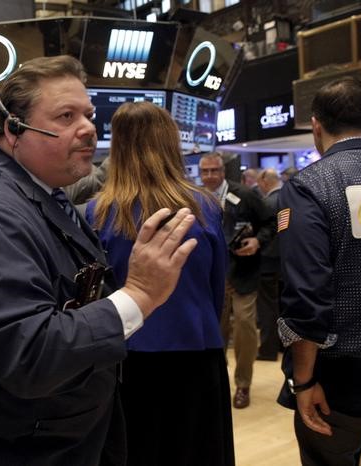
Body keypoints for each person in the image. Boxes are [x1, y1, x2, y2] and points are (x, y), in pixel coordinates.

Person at [0, 55, 198, 465]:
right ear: (13, 129)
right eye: (66, 116)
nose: (88, 127)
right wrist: (138, 295)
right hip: (14, 448)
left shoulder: (40, 194)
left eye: (88, 114)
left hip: (57, 435)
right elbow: (29, 354)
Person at [86, 102, 233, 466]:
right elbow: (217, 290)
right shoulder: (205, 207)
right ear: (171, 142)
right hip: (197, 349)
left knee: (137, 450)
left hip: (127, 357)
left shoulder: (97, 213)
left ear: (117, 146)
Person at [277, 77, 361, 465]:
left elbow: (306, 294)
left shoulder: (308, 187)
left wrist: (303, 380)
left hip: (339, 381)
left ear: (316, 126)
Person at [199, 152, 273, 409]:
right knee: (215, 329)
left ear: (223, 171)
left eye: (214, 171)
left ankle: (243, 384)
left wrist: (258, 241)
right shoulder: (194, 198)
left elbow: (271, 221)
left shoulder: (245, 194)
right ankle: (216, 378)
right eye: (205, 171)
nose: (209, 176)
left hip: (243, 271)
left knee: (244, 325)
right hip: (210, 275)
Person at [254, 168, 282, 361]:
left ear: (264, 181)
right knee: (279, 305)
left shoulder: (268, 203)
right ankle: (279, 344)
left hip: (267, 261)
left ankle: (268, 349)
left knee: (267, 308)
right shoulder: (288, 198)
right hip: (282, 261)